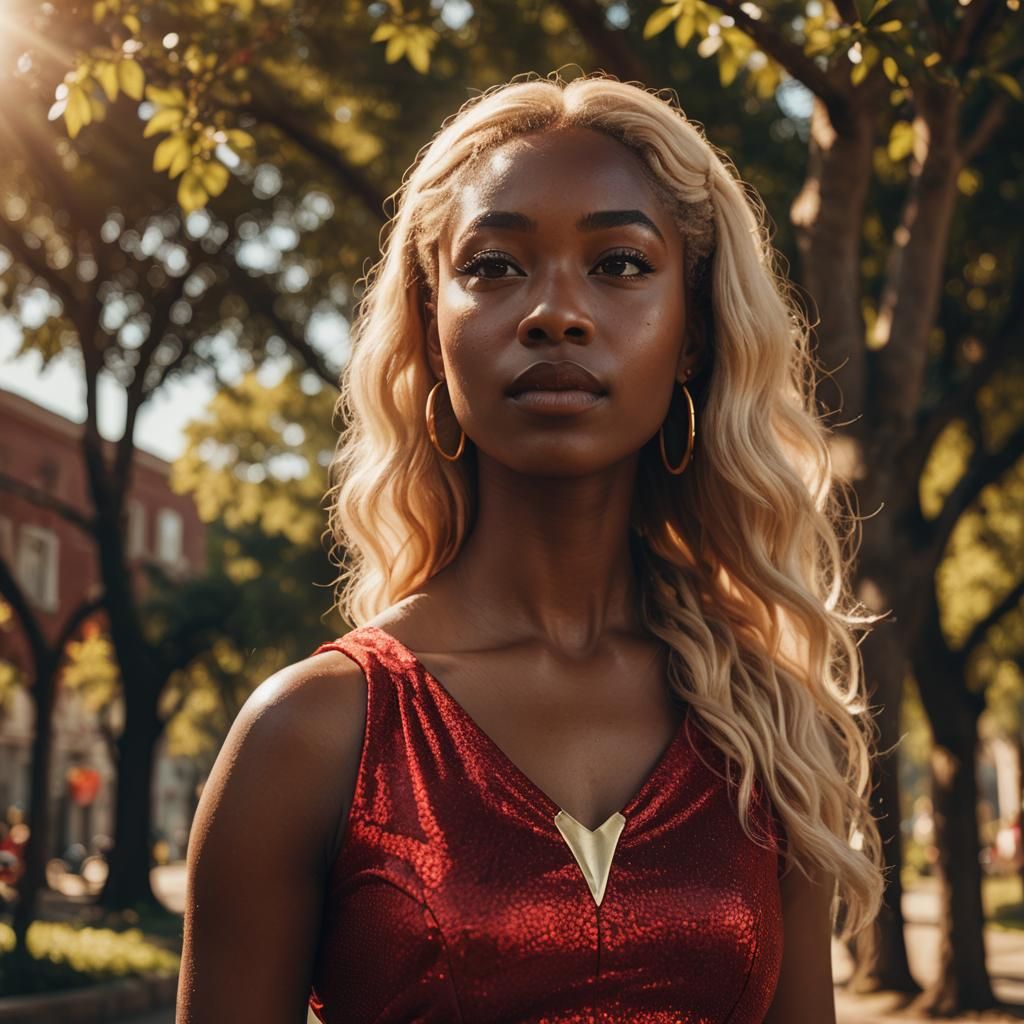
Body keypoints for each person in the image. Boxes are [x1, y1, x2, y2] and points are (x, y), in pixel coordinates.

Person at [178, 72, 886, 1023]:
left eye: (622, 264)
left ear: (694, 336)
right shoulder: (314, 733)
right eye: (496, 266)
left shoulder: (765, 727)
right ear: (434, 331)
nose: (556, 311)